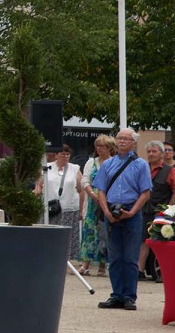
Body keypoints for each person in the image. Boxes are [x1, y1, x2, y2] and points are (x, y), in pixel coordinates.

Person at [88, 127, 151, 312]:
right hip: (111, 211)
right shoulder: (108, 164)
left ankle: (129, 296)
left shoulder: (141, 165)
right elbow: (100, 190)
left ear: (134, 142)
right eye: (119, 138)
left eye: (126, 138)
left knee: (130, 257)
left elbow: (145, 192)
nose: (122, 141)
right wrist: (106, 212)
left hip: (131, 211)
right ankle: (116, 295)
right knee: (114, 257)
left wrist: (132, 212)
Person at [37, 145, 83, 265]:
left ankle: (64, 261)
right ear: (56, 155)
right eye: (63, 154)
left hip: (68, 208)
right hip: (50, 208)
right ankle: (48, 258)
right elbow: (39, 186)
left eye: (67, 154)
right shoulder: (46, 167)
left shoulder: (75, 168)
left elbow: (80, 190)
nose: (65, 156)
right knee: (48, 234)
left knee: (66, 237)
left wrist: (81, 210)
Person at [140, 140, 175, 283]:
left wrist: (168, 210)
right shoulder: (143, 168)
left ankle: (161, 272)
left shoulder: (170, 170)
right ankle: (139, 271)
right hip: (144, 210)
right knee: (143, 240)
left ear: (162, 154)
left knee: (161, 242)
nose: (151, 154)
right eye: (148, 151)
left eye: (154, 151)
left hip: (162, 212)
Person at [77, 134, 114, 276]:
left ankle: (102, 265)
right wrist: (92, 194)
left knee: (104, 232)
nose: (99, 148)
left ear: (109, 148)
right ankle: (85, 264)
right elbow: (85, 180)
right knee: (89, 231)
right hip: (92, 203)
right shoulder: (91, 162)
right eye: (97, 146)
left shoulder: (114, 162)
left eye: (102, 146)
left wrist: (104, 197)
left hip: (108, 202)